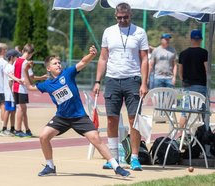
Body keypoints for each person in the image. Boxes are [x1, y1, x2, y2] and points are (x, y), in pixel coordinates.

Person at [23, 46, 130, 177]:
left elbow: (83, 62)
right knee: (43, 137)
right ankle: (50, 166)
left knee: (95, 138)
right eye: (54, 63)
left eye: (58, 62)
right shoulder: (47, 84)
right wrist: (25, 70)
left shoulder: (67, 73)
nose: (58, 65)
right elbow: (29, 86)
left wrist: (91, 55)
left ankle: (116, 167)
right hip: (62, 117)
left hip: (79, 116)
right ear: (48, 68)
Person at [93, 3, 149, 171]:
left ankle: (134, 157)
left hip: (132, 79)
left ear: (131, 15)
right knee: (111, 119)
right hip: (111, 79)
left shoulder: (140, 32)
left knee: (134, 120)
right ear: (115, 16)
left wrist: (144, 82)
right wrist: (97, 81)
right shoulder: (108, 32)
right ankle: (113, 157)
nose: (123, 20)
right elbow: (103, 58)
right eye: (119, 17)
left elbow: (145, 59)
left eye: (126, 17)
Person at [13, 43, 47, 138]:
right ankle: (18, 130)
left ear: (23, 51)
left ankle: (27, 129)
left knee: (23, 109)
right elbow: (31, 78)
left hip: (15, 87)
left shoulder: (16, 61)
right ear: (31, 54)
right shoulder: (26, 63)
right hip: (22, 88)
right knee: (21, 109)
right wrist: (42, 77)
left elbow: (12, 73)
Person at [178, 29, 208, 127]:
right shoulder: (204, 53)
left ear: (191, 39)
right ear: (201, 39)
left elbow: (180, 71)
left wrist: (183, 80)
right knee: (202, 111)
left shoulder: (183, 53)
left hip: (187, 86)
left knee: (185, 112)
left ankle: (181, 136)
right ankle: (203, 136)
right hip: (200, 85)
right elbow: (207, 69)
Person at [0, 49, 22, 137]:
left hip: (10, 93)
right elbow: (10, 81)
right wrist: (13, 93)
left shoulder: (8, 66)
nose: (18, 58)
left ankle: (12, 128)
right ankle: (4, 129)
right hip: (10, 93)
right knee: (8, 111)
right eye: (17, 57)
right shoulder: (10, 67)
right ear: (12, 57)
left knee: (13, 111)